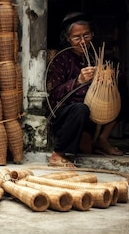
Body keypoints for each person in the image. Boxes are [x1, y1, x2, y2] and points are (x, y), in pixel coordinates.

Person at [47, 11, 124, 168]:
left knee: (119, 90)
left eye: (86, 35)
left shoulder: (94, 55)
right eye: (77, 37)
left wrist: (108, 77)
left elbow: (112, 76)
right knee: (80, 109)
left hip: (94, 112)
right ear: (68, 39)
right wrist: (78, 81)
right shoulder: (62, 59)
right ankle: (57, 154)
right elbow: (54, 94)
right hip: (68, 114)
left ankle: (102, 139)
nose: (82, 41)